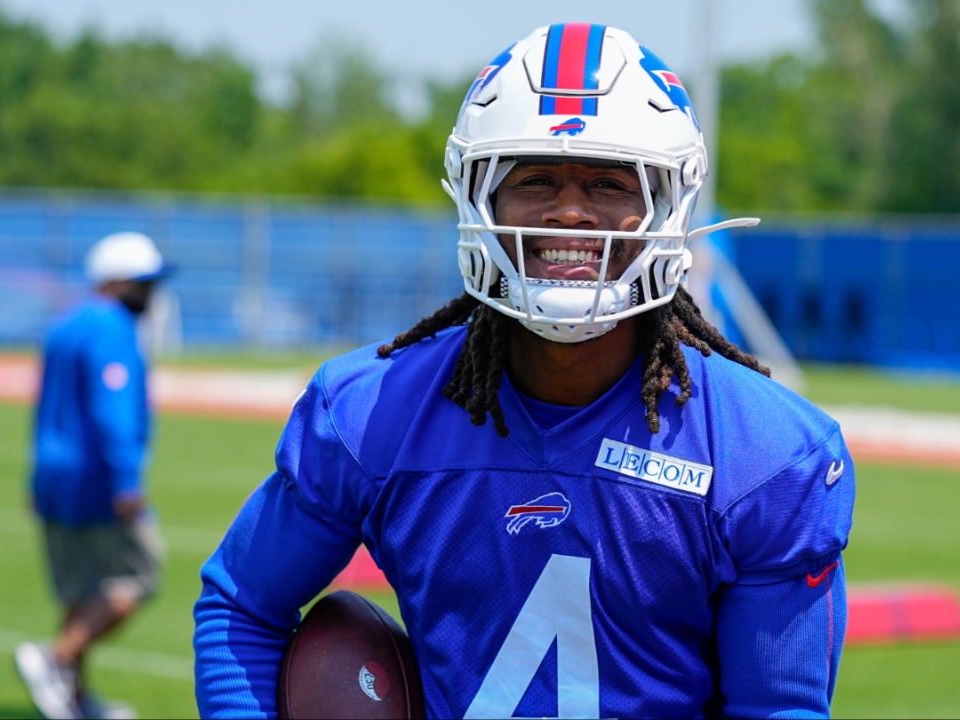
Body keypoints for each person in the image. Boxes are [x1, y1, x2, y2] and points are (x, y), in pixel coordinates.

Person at [194, 23, 855, 719]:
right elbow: (242, 606)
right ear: (479, 196)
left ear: (668, 206)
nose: (569, 210)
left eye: (608, 182)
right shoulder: (370, 413)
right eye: (535, 177)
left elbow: (776, 709)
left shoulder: (767, 453)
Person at [16, 231, 172, 720]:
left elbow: (45, 406)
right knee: (138, 577)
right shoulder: (110, 327)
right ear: (118, 281)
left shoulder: (67, 322)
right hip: (96, 480)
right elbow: (114, 411)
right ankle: (55, 660)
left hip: (55, 475)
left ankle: (73, 698)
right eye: (144, 283)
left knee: (80, 591)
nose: (151, 294)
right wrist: (127, 480)